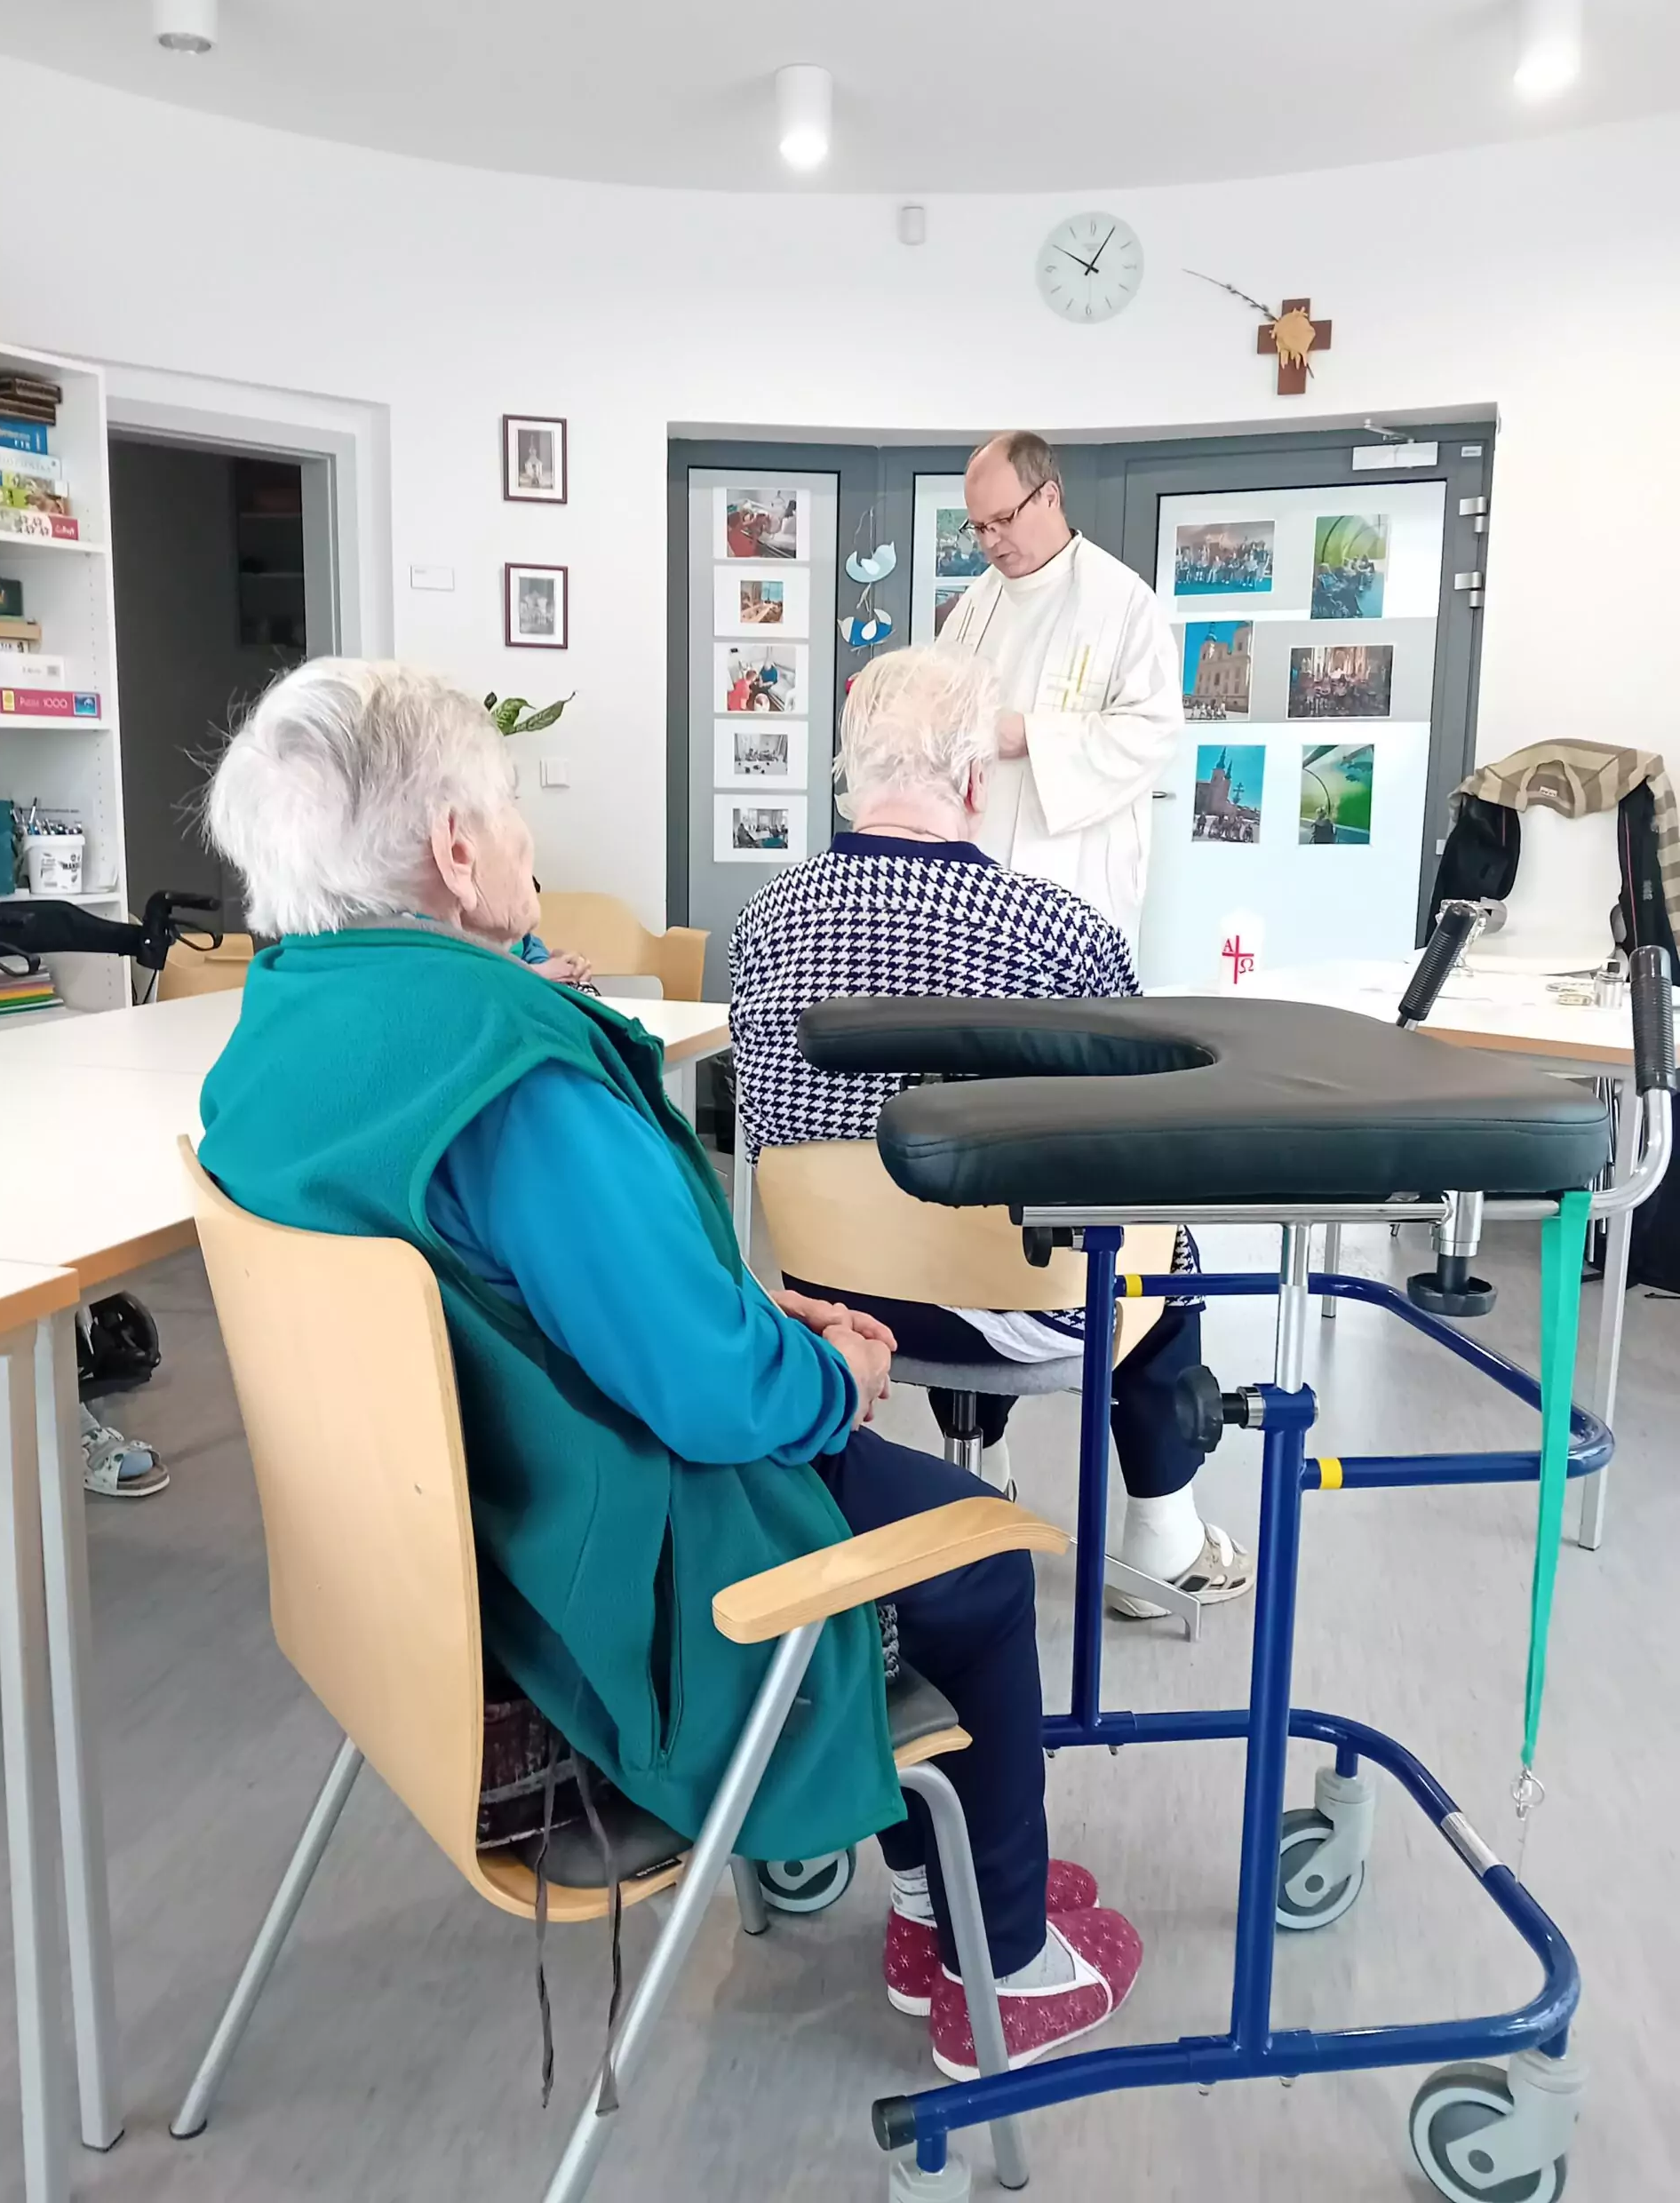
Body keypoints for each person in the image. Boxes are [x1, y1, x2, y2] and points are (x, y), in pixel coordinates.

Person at [195, 657, 1140, 2080]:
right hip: (620, 1588)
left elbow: (543, 1298)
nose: (525, 835)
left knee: (879, 1482)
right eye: (509, 805)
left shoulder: (274, 1031)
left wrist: (752, 1315)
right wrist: (835, 1372)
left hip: (430, 1587)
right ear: (454, 848)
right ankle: (996, 1963)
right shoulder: (511, 1074)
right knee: (979, 1561)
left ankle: (929, 1885)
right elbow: (712, 1395)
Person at [729, 643, 1252, 1614]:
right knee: (1157, 1239)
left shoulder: (763, 920)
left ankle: (986, 1473)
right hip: (1018, 1306)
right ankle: (1165, 1541)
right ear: (976, 779)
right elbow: (1133, 1130)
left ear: (851, 774)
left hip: (827, 1296)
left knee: (928, 1209)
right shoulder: (1058, 929)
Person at [938, 431, 1182, 943]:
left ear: (1049, 496)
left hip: (1077, 872)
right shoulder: (974, 604)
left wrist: (1030, 736)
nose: (990, 542)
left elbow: (1153, 731)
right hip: (978, 872)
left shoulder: (1123, 601)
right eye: (978, 527)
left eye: (1003, 520)